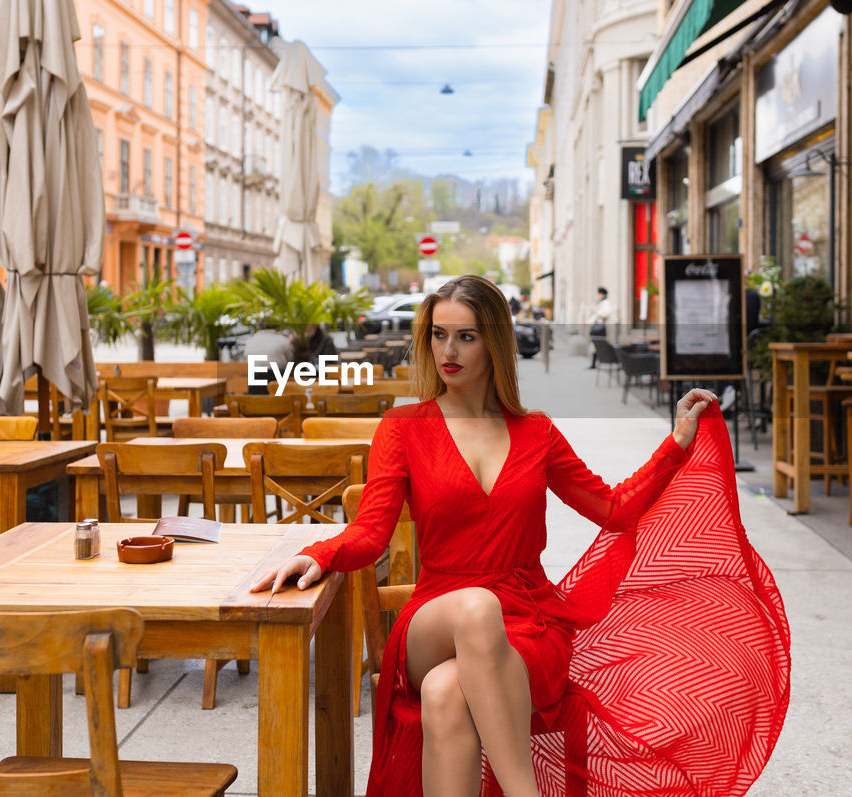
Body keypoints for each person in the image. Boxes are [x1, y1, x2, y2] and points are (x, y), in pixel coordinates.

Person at [252, 275, 790, 797]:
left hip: (529, 621)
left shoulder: (536, 432)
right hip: (438, 613)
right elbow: (371, 534)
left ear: (496, 343)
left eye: (466, 336)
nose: (449, 351)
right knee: (475, 608)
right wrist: (318, 554)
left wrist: (674, 445)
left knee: (445, 692)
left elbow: (613, 509)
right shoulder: (404, 426)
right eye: (439, 334)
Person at [586, 286, 614, 369]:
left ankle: (597, 363)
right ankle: (594, 363)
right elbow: (595, 315)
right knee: (595, 345)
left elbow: (605, 313)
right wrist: (589, 322)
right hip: (597, 327)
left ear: (602, 294)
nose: (597, 295)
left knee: (598, 345)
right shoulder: (601, 303)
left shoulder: (606, 303)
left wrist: (598, 311)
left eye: (598, 294)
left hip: (601, 328)